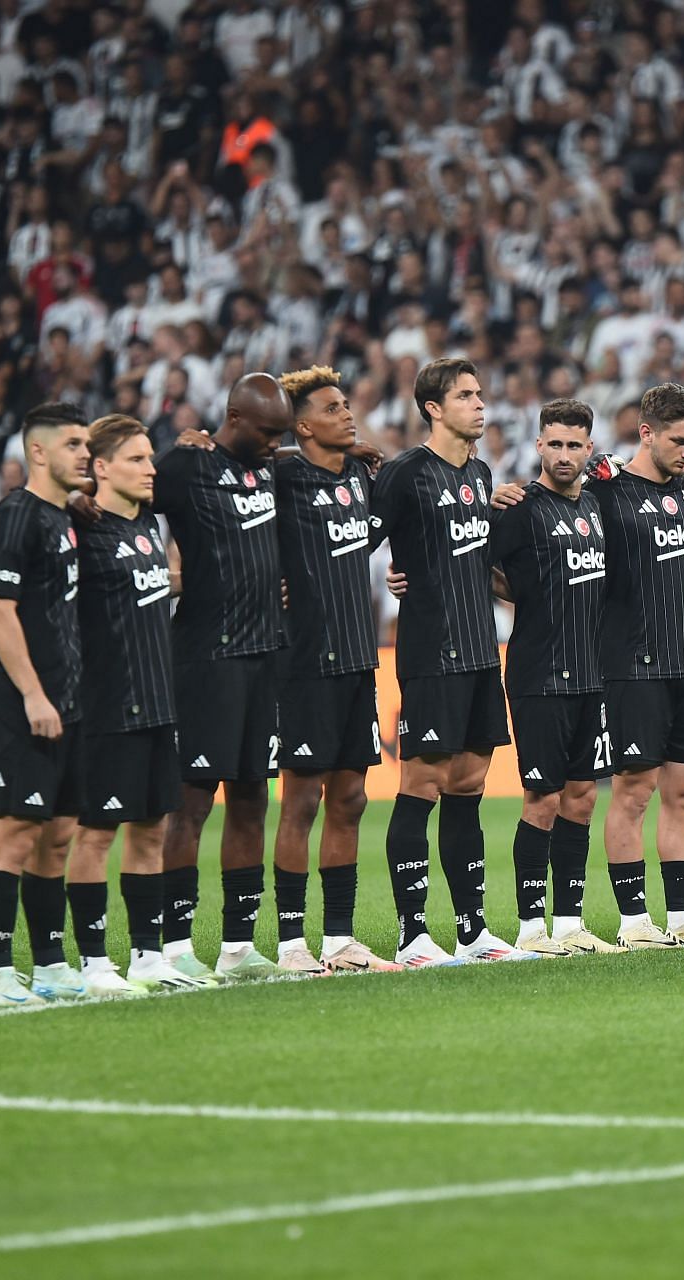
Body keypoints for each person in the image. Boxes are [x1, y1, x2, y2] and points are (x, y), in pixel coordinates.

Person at [372, 357, 533, 966]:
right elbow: (360, 538)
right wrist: (394, 577)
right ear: (434, 409)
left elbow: (475, 557)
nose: (480, 403)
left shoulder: (481, 474)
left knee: (469, 785)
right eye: (465, 395)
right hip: (431, 654)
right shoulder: (405, 474)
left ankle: (472, 932)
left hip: (479, 654)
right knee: (422, 785)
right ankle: (414, 934)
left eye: (480, 392)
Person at [152, 372, 293, 982]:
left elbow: (296, 459)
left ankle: (237, 948)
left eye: (280, 435)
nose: (272, 443)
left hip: (266, 658)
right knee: (190, 805)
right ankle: (174, 946)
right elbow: (126, 502)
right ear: (233, 418)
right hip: (206, 659)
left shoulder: (270, 466)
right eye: (265, 432)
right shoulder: (186, 468)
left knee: (252, 801)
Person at [593, 382, 684, 946]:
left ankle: (682, 919)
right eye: (679, 441)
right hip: (630, 663)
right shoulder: (605, 491)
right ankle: (634, 923)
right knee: (633, 792)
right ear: (646, 432)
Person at [68, 415, 209, 996]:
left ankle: (148, 957)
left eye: (151, 459)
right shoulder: (81, 533)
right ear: (100, 468)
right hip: (107, 709)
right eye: (136, 460)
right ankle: (93, 962)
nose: (151, 470)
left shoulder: (150, 525)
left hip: (160, 704)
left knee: (151, 831)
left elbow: (160, 583)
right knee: (97, 835)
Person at [269, 367, 400, 974]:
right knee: (300, 803)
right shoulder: (282, 475)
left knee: (350, 799)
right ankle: (293, 941)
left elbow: (367, 539)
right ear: (301, 426)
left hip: (358, 659)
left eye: (347, 404)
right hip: (305, 665)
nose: (348, 414)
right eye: (332, 408)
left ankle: (341, 939)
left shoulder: (357, 476)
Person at [488, 399, 621, 955]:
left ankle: (569, 922)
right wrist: (521, 595)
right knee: (542, 798)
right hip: (539, 672)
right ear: (539, 446)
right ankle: (529, 927)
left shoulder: (597, 507)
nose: (564, 455)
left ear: (589, 450)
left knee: (583, 798)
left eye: (575, 445)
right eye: (555, 444)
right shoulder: (520, 507)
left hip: (591, 674)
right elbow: (476, 565)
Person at [0, 403, 90, 1007]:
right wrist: (33, 695)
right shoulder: (17, 515)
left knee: (59, 838)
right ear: (38, 452)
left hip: (68, 706)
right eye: (73, 444)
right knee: (16, 834)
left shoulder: (66, 517)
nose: (84, 454)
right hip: (25, 706)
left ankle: (49, 965)